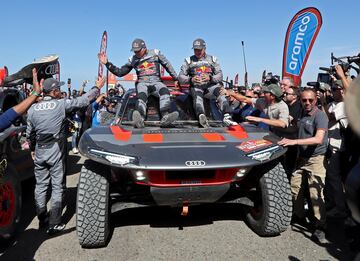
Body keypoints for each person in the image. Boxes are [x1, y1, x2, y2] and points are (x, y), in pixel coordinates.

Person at [26, 75, 105, 235]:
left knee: (40, 186)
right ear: (54, 91)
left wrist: (32, 149)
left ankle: (42, 218)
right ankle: (54, 222)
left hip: (40, 149)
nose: (60, 91)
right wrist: (97, 87)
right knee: (57, 185)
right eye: (58, 89)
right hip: (55, 148)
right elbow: (83, 101)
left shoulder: (32, 108)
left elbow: (30, 133)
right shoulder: (60, 104)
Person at [278, 88, 329, 243]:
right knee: (295, 188)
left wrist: (294, 142)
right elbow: (296, 129)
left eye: (310, 100)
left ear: (316, 100)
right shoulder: (301, 114)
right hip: (302, 158)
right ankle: (299, 216)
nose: (307, 103)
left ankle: (321, 227)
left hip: (316, 159)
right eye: (304, 100)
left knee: (315, 194)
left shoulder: (320, 116)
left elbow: (318, 139)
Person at [98, 38, 179, 128]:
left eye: (138, 51)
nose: (136, 53)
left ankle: (165, 117)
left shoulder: (155, 53)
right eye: (134, 51)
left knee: (165, 91)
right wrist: (107, 63)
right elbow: (120, 72)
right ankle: (140, 119)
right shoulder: (132, 59)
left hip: (156, 82)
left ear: (144, 48)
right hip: (142, 83)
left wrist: (176, 78)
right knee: (141, 95)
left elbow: (167, 65)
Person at [178, 38, 237, 128]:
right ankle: (201, 116)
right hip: (196, 87)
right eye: (195, 50)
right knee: (197, 97)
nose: (197, 52)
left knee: (220, 92)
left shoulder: (213, 59)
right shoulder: (188, 61)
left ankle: (227, 116)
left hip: (210, 87)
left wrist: (210, 78)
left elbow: (220, 75)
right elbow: (180, 77)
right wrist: (191, 79)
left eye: (199, 50)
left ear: (204, 48)